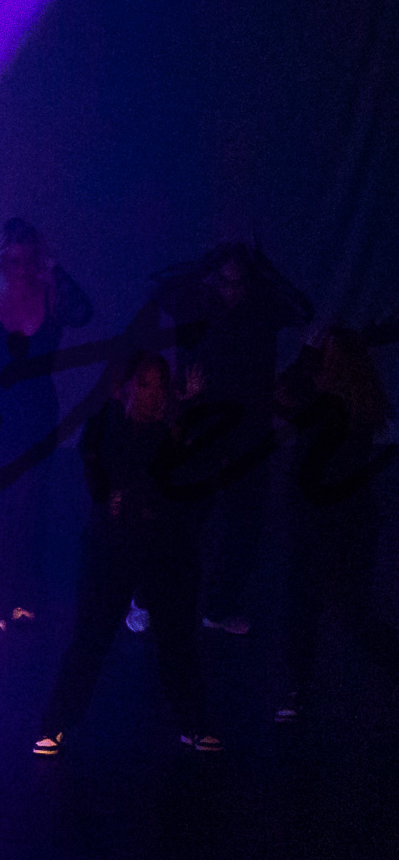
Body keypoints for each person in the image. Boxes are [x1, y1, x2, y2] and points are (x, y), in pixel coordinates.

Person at [34, 352, 220, 755]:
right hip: (112, 549)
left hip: (164, 549)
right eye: (146, 384)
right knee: (90, 637)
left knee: (177, 639)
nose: (154, 394)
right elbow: (102, 474)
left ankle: (193, 723)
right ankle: (56, 723)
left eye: (160, 385)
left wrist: (187, 411)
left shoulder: (171, 432)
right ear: (130, 387)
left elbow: (188, 479)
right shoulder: (108, 425)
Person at [151, 242, 313, 634]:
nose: (231, 290)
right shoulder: (196, 303)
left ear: (250, 282)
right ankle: (152, 599)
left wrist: (263, 265)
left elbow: (303, 309)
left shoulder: (263, 308)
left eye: (239, 282)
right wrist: (206, 263)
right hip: (202, 426)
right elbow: (159, 288)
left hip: (248, 430)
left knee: (245, 524)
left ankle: (217, 607)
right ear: (214, 278)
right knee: (184, 519)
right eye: (225, 281)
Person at [0, 218, 92, 630]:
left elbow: (84, 312)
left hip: (35, 412)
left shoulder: (51, 292)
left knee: (30, 506)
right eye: (13, 259)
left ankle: (23, 595)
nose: (21, 267)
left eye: (29, 259)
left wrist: (55, 267)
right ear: (2, 257)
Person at [271, 325, 399, 722]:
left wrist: (306, 354)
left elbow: (281, 396)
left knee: (317, 607)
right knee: (340, 609)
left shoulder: (329, 404)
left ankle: (297, 690)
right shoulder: (359, 403)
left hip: (327, 519)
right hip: (344, 518)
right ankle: (297, 688)